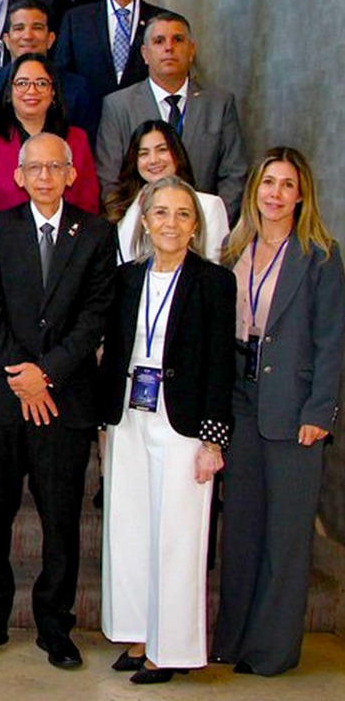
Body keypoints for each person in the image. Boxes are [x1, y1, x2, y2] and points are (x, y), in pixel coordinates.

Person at [0, 131, 116, 667]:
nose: (45, 177)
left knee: (60, 522)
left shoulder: (97, 235)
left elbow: (96, 315)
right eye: (35, 168)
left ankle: (55, 625)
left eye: (56, 167)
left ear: (72, 175)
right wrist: (21, 373)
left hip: (65, 401)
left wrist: (46, 373)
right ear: (18, 176)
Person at [213, 149, 345, 676]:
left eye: (287, 185)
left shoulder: (321, 255)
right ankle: (233, 640)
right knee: (241, 528)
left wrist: (321, 411)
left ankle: (271, 651)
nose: (275, 193)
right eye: (268, 182)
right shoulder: (233, 248)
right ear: (255, 190)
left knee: (286, 535)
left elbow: (332, 342)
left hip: (294, 409)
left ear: (301, 195)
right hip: (240, 401)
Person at [100, 176, 235, 684]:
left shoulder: (214, 282)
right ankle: (138, 632)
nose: (170, 224)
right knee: (130, 529)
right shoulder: (128, 279)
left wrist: (212, 441)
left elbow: (221, 364)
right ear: (146, 220)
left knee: (178, 536)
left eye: (182, 214)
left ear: (195, 225)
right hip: (131, 415)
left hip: (185, 425)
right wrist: (105, 421)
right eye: (161, 213)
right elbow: (113, 350)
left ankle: (171, 648)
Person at [96, 12, 247, 221]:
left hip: (204, 231)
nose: (169, 47)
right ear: (145, 53)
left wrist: (209, 224)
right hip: (141, 233)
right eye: (159, 41)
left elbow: (234, 174)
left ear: (191, 50)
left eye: (178, 40)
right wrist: (136, 227)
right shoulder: (118, 105)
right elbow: (108, 179)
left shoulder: (220, 103)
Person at [0, 54, 99, 216]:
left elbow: (88, 202)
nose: (32, 90)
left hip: (67, 237)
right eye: (22, 83)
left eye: (41, 83)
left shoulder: (77, 139)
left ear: (53, 93)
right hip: (2, 237)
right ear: (9, 93)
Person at [53, 0, 164, 107]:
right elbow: (62, 77)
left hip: (144, 123)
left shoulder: (162, 22)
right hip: (89, 122)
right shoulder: (75, 21)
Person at [0, 0, 100, 140]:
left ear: (51, 39)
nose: (28, 36)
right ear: (6, 40)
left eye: (37, 27)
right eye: (19, 28)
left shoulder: (77, 89)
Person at [103, 120, 229, 263]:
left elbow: (216, 268)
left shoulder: (209, 205)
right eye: (144, 153)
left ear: (177, 153)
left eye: (162, 150)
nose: (153, 160)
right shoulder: (123, 208)